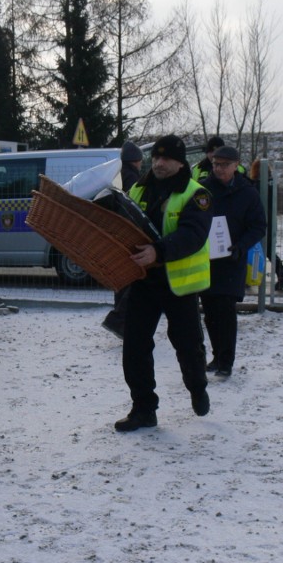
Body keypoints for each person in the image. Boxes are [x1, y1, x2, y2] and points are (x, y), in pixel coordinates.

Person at [114, 134, 213, 432]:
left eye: (166, 158)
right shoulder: (138, 188)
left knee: (187, 345)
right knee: (134, 346)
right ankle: (143, 408)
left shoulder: (197, 194)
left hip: (178, 284)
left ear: (180, 162)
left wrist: (159, 251)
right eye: (155, 157)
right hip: (142, 282)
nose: (158, 163)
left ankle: (197, 387)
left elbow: (193, 235)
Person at [199, 146, 267, 378]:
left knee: (226, 310)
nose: (219, 169)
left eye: (224, 165)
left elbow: (258, 225)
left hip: (232, 259)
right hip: (208, 260)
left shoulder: (247, 192)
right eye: (216, 164)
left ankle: (226, 360)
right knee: (209, 311)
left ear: (236, 165)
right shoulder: (203, 190)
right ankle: (217, 356)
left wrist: (241, 245)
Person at [102, 140, 144, 338]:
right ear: (136, 161)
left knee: (122, 280)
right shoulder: (134, 179)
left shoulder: (116, 176)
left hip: (115, 234)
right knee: (134, 280)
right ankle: (119, 321)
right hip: (130, 236)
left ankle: (121, 321)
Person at [249, 158, 283, 290]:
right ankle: (282, 275)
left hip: (257, 221)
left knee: (253, 249)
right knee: (269, 251)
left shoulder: (255, 185)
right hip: (271, 220)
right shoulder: (272, 183)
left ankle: (249, 277)